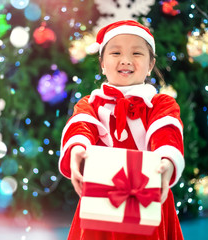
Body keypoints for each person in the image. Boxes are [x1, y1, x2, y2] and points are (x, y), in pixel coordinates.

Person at [58, 20, 185, 240]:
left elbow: (167, 134)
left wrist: (167, 160)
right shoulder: (91, 104)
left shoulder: (161, 104)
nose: (125, 60)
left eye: (137, 53)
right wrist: (78, 148)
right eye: (115, 52)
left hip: (148, 196)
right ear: (102, 63)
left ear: (150, 64)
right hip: (101, 199)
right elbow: (81, 125)